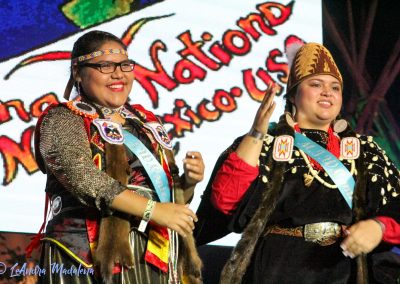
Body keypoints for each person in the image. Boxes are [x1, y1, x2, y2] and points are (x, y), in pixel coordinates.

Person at [194, 42, 400, 283]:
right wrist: (256, 134)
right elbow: (225, 202)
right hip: (280, 267)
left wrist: (379, 227)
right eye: (315, 84)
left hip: (348, 268)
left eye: (335, 87)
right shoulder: (266, 144)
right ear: (293, 94)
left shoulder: (366, 151)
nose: (327, 92)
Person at [30, 30, 204, 284]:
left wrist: (188, 182)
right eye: (105, 66)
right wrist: (152, 210)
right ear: (77, 71)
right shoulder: (63, 118)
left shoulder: (144, 122)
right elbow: (84, 179)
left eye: (124, 65)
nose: (118, 73)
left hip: (151, 255)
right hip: (87, 254)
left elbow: (165, 200)